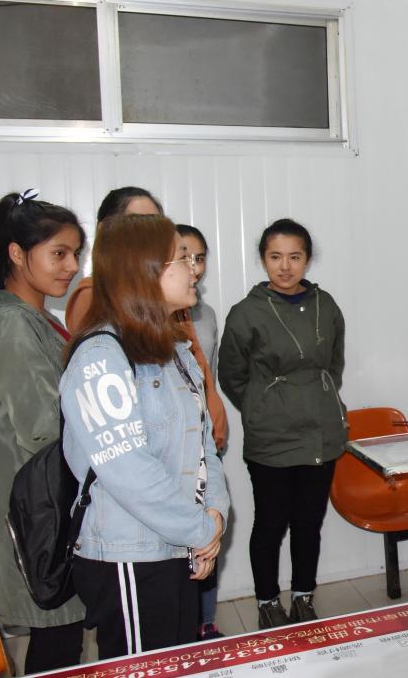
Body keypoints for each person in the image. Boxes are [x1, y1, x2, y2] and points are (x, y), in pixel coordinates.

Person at [61, 214, 229, 658]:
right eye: (182, 259)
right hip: (129, 553)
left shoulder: (172, 349)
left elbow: (203, 448)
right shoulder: (101, 356)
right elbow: (128, 470)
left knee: (177, 661)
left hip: (177, 544)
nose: (194, 270)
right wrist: (199, 529)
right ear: (145, 271)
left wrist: (214, 516)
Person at [0, 190, 86, 673]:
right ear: (16, 253)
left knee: (62, 636)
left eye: (76, 253)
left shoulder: (35, 318)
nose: (72, 266)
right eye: (59, 253)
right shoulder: (10, 324)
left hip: (48, 502)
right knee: (58, 638)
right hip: (39, 509)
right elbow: (42, 429)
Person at [218, 218, 346, 628]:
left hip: (320, 434)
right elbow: (232, 375)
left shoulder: (327, 306)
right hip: (270, 437)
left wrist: (315, 399)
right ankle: (267, 601)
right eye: (276, 257)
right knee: (271, 524)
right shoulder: (246, 313)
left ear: (307, 260)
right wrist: (264, 405)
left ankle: (304, 596)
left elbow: (334, 366)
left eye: (295, 257)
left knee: (309, 523)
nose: (285, 267)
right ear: (263, 260)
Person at [176, 223, 228, 641]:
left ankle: (206, 621)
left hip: (208, 437)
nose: (194, 265)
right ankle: (183, 624)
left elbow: (211, 378)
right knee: (182, 541)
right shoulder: (157, 316)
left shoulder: (206, 314)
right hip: (178, 449)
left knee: (210, 530)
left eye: (200, 257)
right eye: (185, 256)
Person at [65, 186, 163, 333]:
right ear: (104, 229)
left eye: (156, 223)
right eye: (137, 222)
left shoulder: (163, 288)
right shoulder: (91, 296)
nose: (148, 233)